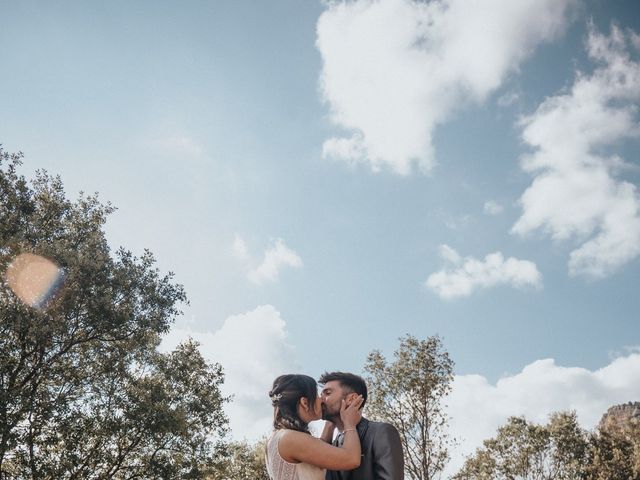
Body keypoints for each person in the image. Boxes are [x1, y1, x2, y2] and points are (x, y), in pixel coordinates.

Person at [266, 374, 365, 480]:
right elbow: (351, 459)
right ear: (304, 402)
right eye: (317, 395)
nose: (321, 400)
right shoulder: (290, 438)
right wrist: (349, 424)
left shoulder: (280, 436)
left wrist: (330, 423)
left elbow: (319, 451)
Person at [319, 372, 404, 480]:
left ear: (351, 399)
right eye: (321, 394)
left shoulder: (381, 432)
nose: (321, 399)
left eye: (327, 393)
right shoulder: (332, 444)